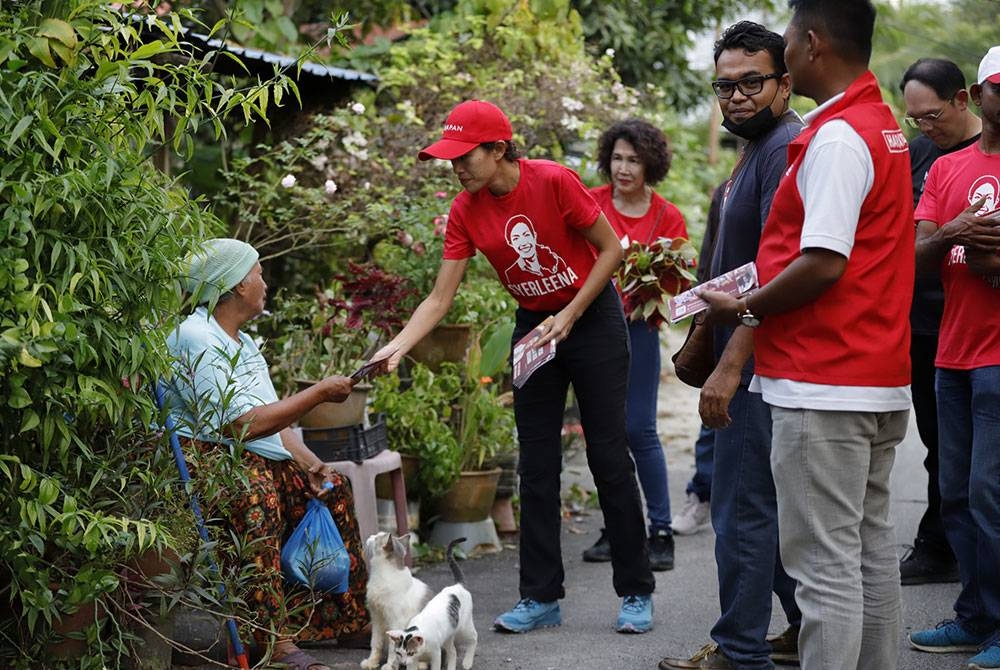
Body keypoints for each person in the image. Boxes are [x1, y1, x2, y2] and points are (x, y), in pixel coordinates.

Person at [371, 100, 656, 634]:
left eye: (465, 156)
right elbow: (438, 298)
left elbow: (611, 250)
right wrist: (398, 347)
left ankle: (636, 589)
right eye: (449, 158)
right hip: (535, 328)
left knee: (609, 456)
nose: (456, 167)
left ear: (498, 149)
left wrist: (570, 314)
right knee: (536, 464)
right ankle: (540, 596)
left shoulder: (552, 181)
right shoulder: (465, 209)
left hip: (591, 319)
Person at [699, 1, 915, 668]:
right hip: (869, 378)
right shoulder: (878, 125)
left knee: (824, 573)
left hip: (826, 383)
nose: (785, 45)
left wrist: (742, 309)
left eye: (789, 35)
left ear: (811, 44)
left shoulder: (840, 137)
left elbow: (821, 261)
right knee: (868, 559)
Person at [658, 21, 802, 670]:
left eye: (752, 82)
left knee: (740, 516)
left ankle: (740, 653)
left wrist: (731, 366)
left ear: (784, 82)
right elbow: (732, 263)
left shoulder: (783, 150)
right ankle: (798, 627)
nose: (737, 96)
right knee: (753, 511)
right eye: (726, 85)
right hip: (738, 364)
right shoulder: (754, 150)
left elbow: (776, 269)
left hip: (756, 368)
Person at [166, 238, 371, 670]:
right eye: (258, 272)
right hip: (206, 457)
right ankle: (270, 640)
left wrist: (310, 462)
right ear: (238, 284)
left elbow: (273, 415)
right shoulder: (195, 337)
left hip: (250, 453)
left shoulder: (242, 342)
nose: (265, 281)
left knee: (331, 487)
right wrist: (317, 393)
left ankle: (344, 620)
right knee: (256, 492)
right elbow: (240, 425)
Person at [907, 45, 1000, 669]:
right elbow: (914, 257)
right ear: (981, 91)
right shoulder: (946, 168)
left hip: (996, 358)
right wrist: (952, 234)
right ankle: (975, 617)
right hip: (952, 352)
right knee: (957, 493)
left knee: (990, 492)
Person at [582, 118, 688, 572]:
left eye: (634, 160)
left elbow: (681, 279)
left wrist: (653, 280)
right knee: (604, 431)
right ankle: (617, 524)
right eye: (618, 158)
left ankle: (660, 529)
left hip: (640, 331)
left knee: (640, 428)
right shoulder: (591, 203)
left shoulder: (667, 216)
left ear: (651, 165)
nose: (623, 168)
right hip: (593, 329)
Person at [896, 57, 982, 586]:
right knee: (939, 443)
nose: (925, 127)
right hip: (926, 324)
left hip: (979, 320)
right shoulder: (919, 155)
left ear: (963, 100)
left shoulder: (985, 153)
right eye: (915, 119)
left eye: (932, 116)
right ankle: (941, 543)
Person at [673, 183, 725, 538]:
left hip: (766, 314)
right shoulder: (723, 192)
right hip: (722, 314)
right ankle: (701, 493)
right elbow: (710, 257)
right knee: (711, 413)